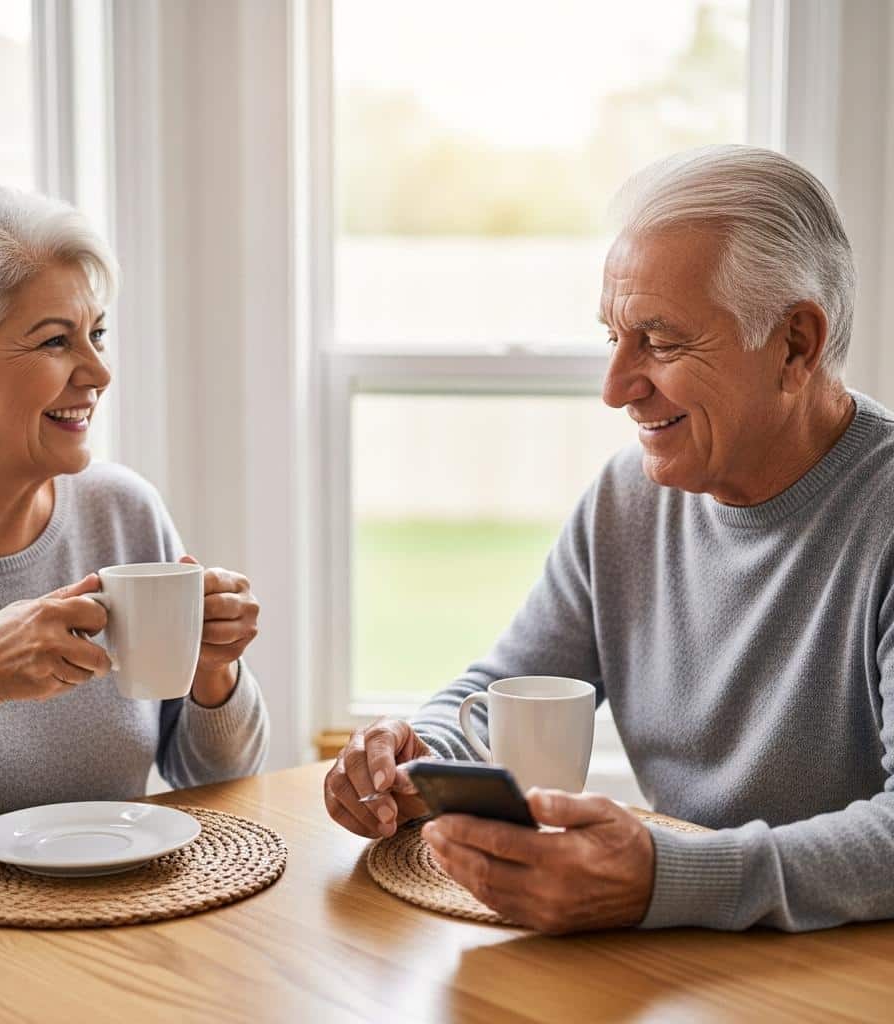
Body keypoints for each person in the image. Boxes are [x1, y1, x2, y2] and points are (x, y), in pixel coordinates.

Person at [325, 145, 894, 934]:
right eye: (613, 339)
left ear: (795, 343)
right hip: (687, 963)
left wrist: (672, 877)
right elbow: (506, 688)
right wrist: (419, 745)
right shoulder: (629, 500)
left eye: (658, 342)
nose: (615, 388)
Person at [0, 178, 267, 854]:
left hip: (112, 940)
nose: (98, 372)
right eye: (56, 342)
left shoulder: (124, 511)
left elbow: (217, 782)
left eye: (97, 334)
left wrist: (213, 674)